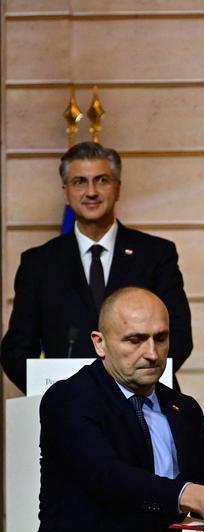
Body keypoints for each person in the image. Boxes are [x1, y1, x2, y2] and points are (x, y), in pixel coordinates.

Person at [37, 286, 204, 532]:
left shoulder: (184, 409)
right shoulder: (70, 398)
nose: (152, 354)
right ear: (99, 343)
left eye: (161, 338)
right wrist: (192, 496)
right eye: (135, 340)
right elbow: (106, 476)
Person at [1, 142, 192, 393]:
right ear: (66, 192)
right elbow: (17, 348)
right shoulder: (39, 263)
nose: (91, 191)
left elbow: (179, 336)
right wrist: (55, 396)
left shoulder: (156, 254)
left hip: (144, 402)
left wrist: (136, 383)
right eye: (80, 181)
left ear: (118, 188)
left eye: (102, 180)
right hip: (69, 409)